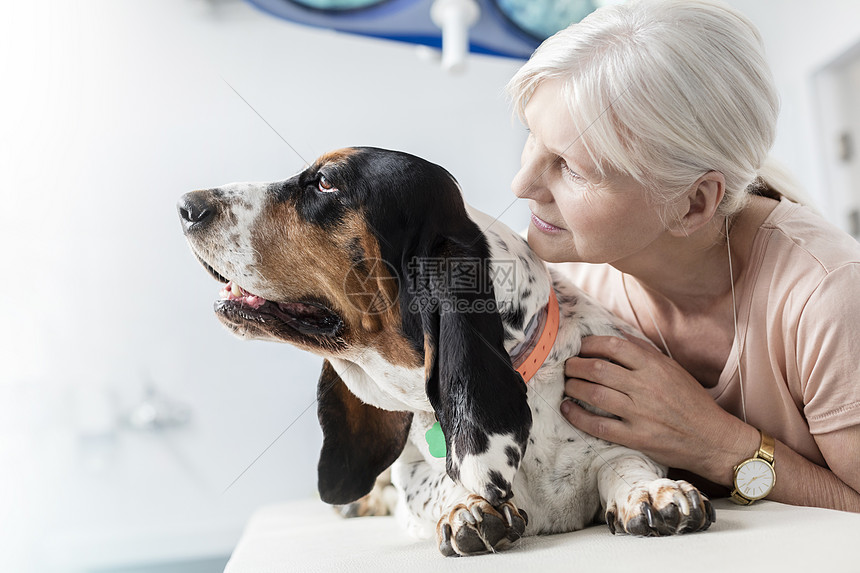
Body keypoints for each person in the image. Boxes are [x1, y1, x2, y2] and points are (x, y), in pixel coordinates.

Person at [506, 0, 860, 511]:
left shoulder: (829, 298)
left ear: (693, 203)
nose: (522, 185)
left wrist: (718, 444)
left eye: (572, 167)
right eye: (531, 138)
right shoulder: (555, 279)